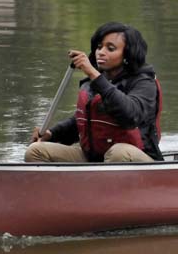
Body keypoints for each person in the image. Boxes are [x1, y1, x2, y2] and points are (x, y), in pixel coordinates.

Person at [25, 22, 163, 162]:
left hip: (138, 159)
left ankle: (104, 181)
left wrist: (93, 74)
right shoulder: (94, 81)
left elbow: (131, 117)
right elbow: (83, 122)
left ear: (127, 54)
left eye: (110, 48)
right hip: (95, 158)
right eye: (99, 47)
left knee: (117, 153)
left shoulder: (144, 83)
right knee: (35, 151)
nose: (101, 52)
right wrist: (51, 134)